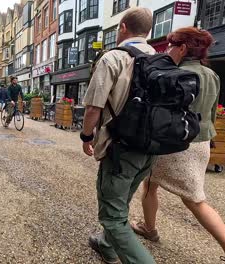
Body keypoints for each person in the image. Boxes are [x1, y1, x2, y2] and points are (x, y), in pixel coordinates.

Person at [131, 27, 225, 264]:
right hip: (202, 143)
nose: (168, 49)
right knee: (151, 183)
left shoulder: (176, 74)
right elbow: (212, 112)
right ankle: (149, 227)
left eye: (171, 44)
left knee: (193, 199)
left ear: (183, 48)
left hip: (178, 143)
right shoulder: (212, 75)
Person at [81, 8, 156, 263]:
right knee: (122, 199)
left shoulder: (113, 58)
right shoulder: (161, 58)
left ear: (123, 27)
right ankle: (106, 245)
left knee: (112, 215)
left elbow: (94, 107)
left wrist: (85, 136)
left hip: (121, 147)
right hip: (150, 149)